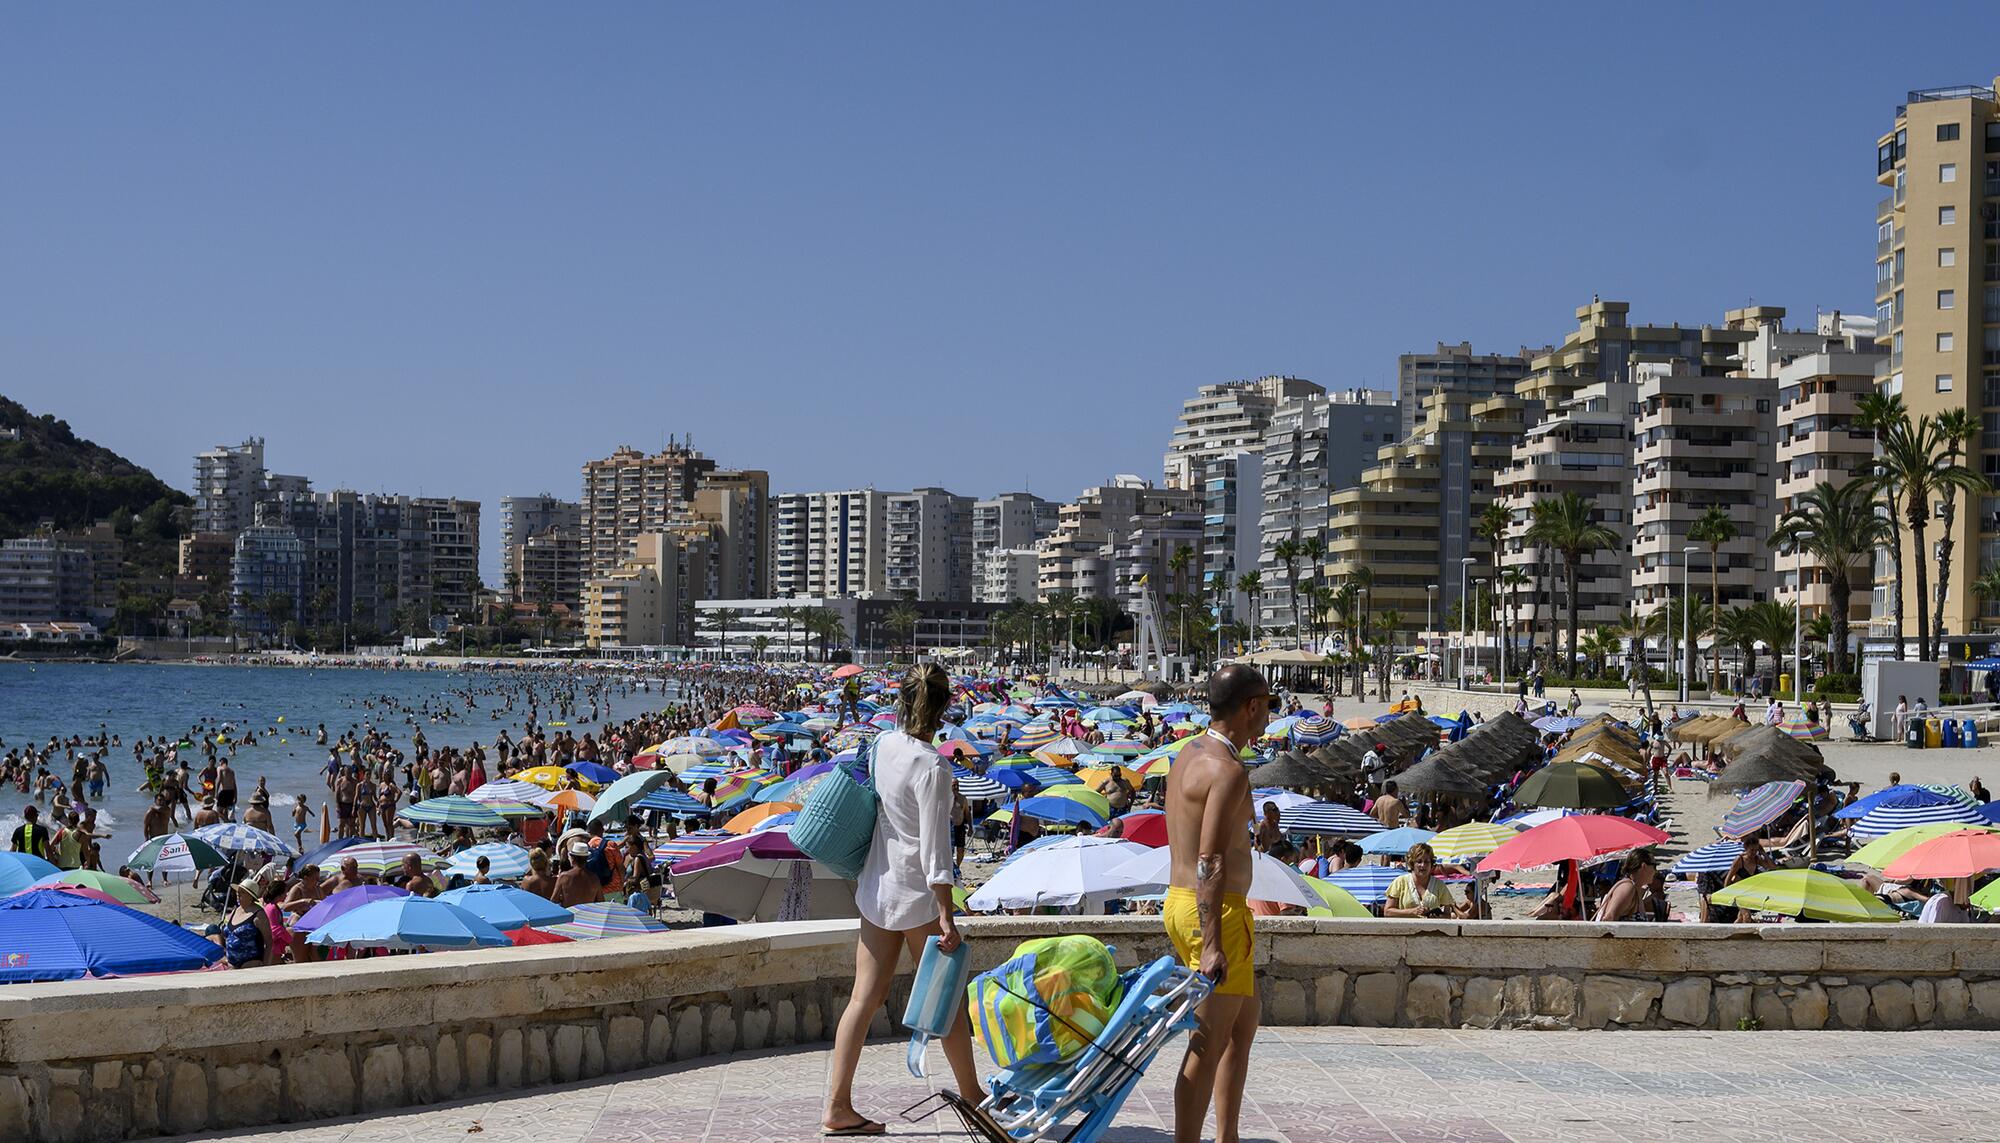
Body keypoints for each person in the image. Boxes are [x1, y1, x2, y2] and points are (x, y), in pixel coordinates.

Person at [825, 663, 976, 1137]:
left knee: (863, 999)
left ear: (904, 699)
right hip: (916, 895)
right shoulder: (933, 766)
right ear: (944, 706)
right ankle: (974, 1097)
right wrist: (947, 913)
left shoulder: (883, 744)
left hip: (877, 884)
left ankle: (837, 1105)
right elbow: (935, 849)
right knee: (945, 1001)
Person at [1163, 663, 1269, 1143]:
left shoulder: (1189, 753)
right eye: (1267, 705)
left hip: (1186, 901)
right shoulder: (1228, 770)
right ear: (1251, 707)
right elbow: (1209, 859)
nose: (1269, 715)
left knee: (1241, 1029)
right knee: (1207, 1044)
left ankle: (1228, 1137)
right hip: (1214, 911)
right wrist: (1211, 943)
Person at [1382, 842, 1465, 919]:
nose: (1423, 865)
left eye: (1427, 862)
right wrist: (1411, 912)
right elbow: (1387, 912)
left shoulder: (1439, 884)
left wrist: (1437, 917)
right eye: (1419, 861)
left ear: (1431, 864)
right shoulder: (1400, 882)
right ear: (1412, 863)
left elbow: (1447, 915)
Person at [222, 878, 276, 968]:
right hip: (232, 964)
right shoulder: (235, 910)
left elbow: (269, 941)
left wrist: (266, 965)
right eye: (238, 891)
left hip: (251, 964)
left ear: (251, 896)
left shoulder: (259, 914)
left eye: (242, 892)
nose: (238, 894)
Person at [1593, 851, 1661, 922]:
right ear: (1644, 866)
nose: (1655, 871)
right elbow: (1609, 919)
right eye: (1654, 866)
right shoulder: (1627, 887)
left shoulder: (1635, 889)